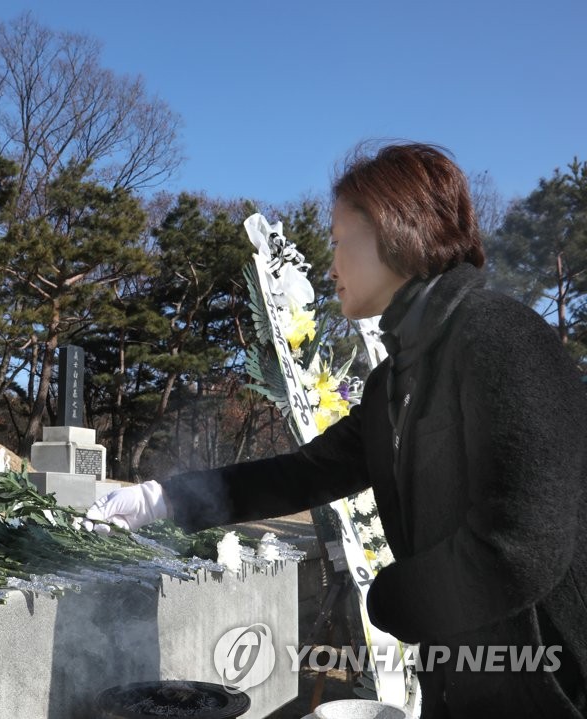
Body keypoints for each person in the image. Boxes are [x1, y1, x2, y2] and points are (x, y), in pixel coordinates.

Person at [86, 143, 587, 718]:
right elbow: (306, 473)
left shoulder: (500, 336)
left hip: (551, 682)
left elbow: (523, 547)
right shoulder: (397, 380)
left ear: (392, 230)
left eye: (336, 240)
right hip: (465, 683)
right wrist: (163, 497)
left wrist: (392, 598)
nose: (330, 267)